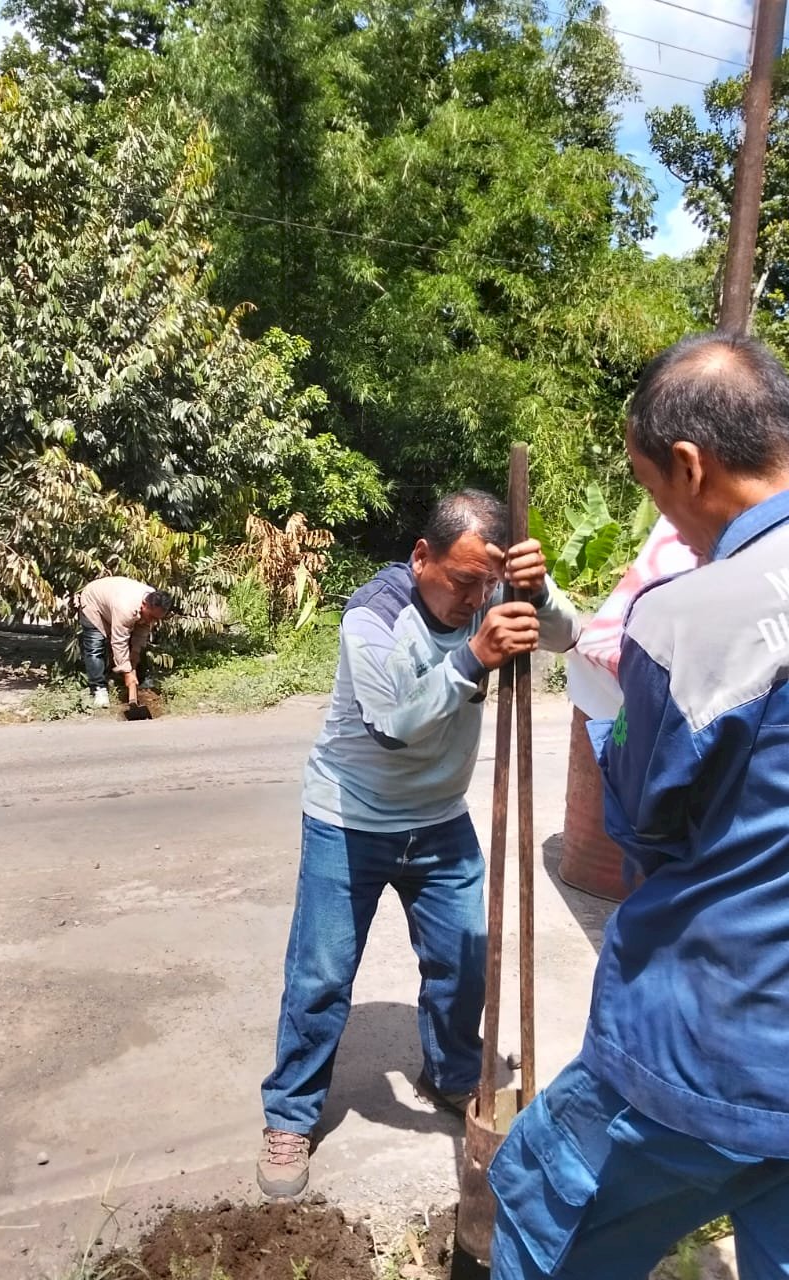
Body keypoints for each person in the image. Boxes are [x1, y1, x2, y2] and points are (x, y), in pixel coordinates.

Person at [488, 332, 789, 1280]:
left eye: (654, 491)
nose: (667, 520)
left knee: (543, 1221)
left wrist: (613, 728)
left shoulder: (700, 614)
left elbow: (646, 822)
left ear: (690, 466)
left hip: (714, 1047)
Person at [257, 488, 581, 1198]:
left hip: (438, 819)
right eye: (461, 581)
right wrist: (472, 658)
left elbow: (568, 634)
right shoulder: (372, 618)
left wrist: (538, 591)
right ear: (421, 556)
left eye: (485, 584)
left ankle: (455, 1073)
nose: (473, 596)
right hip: (350, 819)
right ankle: (289, 1115)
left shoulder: (497, 591)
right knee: (321, 978)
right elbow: (395, 722)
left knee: (467, 961)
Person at [78, 577, 173, 707]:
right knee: (96, 647)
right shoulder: (125, 608)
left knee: (135, 652)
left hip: (113, 603)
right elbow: (118, 642)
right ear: (144, 604)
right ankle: (99, 689)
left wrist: (135, 653)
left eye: (157, 619)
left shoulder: (153, 600)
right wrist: (127, 673)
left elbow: (142, 631)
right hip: (93, 603)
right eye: (151, 617)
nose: (153, 621)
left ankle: (136, 682)